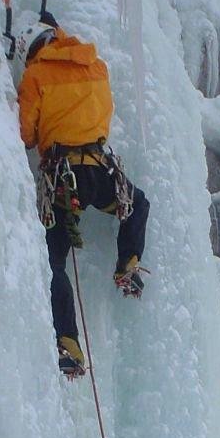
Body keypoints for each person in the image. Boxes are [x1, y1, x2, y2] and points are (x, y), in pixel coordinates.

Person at [16, 19, 150, 378]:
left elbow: (27, 134)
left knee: (55, 260)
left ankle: (68, 343)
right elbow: (104, 115)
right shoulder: (96, 65)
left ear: (33, 50)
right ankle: (128, 263)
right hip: (98, 170)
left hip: (63, 178)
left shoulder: (34, 76)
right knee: (136, 203)